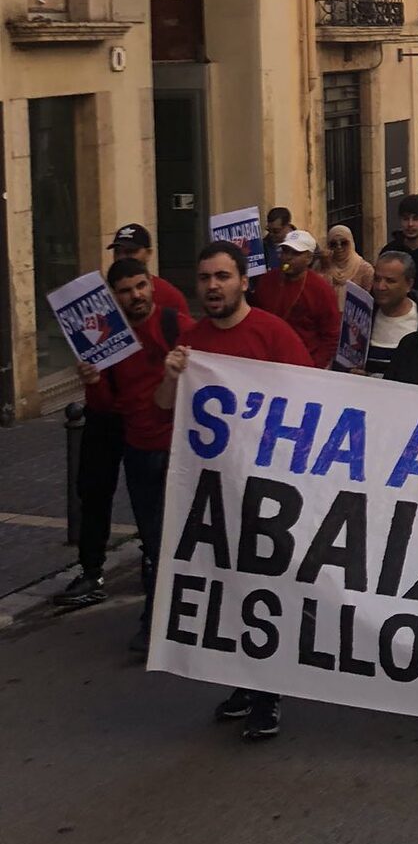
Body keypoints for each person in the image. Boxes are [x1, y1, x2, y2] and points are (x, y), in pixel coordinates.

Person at [156, 240, 314, 742]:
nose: (212, 286)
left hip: (267, 493)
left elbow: (311, 405)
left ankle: (269, 694)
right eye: (205, 278)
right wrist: (170, 376)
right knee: (227, 591)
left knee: (265, 590)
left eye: (222, 276)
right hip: (213, 493)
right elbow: (165, 406)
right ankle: (243, 683)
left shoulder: (273, 334)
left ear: (244, 281)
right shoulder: (192, 343)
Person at [53, 260, 192, 654]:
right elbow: (108, 405)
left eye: (141, 286)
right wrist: (93, 383)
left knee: (188, 537)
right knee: (152, 543)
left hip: (183, 450)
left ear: (152, 284)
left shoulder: (175, 325)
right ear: (114, 298)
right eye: (127, 290)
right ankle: (155, 624)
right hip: (140, 453)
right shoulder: (106, 344)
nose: (136, 295)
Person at [250, 229, 341, 368]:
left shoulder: (321, 289)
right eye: (285, 251)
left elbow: (331, 335)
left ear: (309, 258)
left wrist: (314, 366)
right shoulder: (266, 280)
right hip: (267, 362)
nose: (288, 257)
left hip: (303, 365)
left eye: (296, 253)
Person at [105, 224, 190, 317]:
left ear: (148, 253)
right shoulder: (101, 294)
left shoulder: (169, 297)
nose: (122, 257)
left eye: (130, 251)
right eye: (117, 252)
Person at [361, 251, 418, 378]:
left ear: (409, 284)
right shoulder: (364, 314)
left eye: (390, 281)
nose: (380, 287)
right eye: (377, 279)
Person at [319, 224, 374, 308]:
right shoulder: (322, 265)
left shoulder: (365, 270)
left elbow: (367, 302)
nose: (339, 247)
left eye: (344, 243)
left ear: (351, 242)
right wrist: (325, 268)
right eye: (334, 244)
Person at [264, 206, 293, 272]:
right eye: (269, 230)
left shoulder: (304, 243)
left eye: (276, 231)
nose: (271, 234)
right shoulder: (263, 246)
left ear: (287, 226)